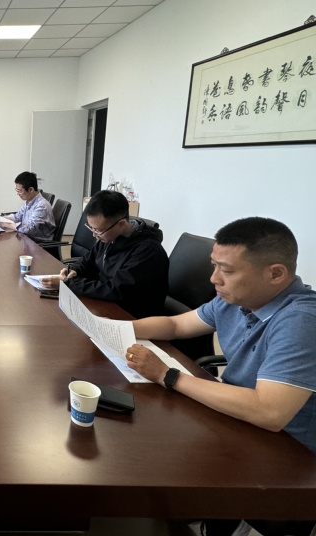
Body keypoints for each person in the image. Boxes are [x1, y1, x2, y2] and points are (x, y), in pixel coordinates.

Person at [126, 217, 316, 536]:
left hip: (288, 455)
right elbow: (176, 325)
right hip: (236, 422)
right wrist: (111, 327)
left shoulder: (301, 320)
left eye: (226, 270)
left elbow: (269, 411)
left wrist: (168, 376)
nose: (214, 278)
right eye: (214, 265)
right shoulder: (237, 299)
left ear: (276, 274)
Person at [41, 190, 168, 319]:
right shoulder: (110, 236)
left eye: (98, 230)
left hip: (131, 315)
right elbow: (88, 261)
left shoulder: (148, 251)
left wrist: (69, 283)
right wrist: (73, 270)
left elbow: (116, 290)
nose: (94, 235)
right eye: (91, 228)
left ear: (121, 224)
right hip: (105, 303)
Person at [0, 171, 55, 243]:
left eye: (20, 191)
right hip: (26, 239)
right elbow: (17, 217)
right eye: (17, 190)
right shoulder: (29, 201)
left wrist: (3, 224)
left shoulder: (42, 206)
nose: (18, 194)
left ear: (31, 189)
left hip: (37, 244)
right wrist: (0, 219)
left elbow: (27, 229)